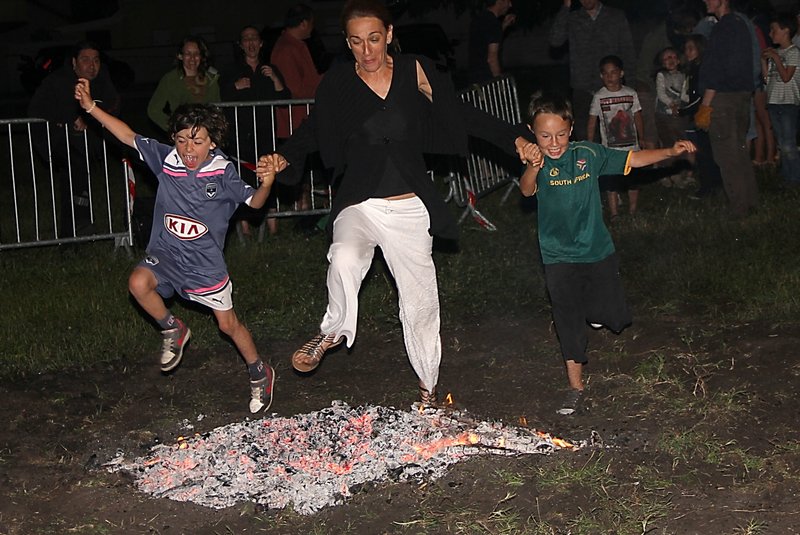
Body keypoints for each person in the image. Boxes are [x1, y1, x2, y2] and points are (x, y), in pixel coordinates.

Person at [256, 0, 531, 406]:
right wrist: (284, 156)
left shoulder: (413, 70)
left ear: (388, 34)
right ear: (347, 43)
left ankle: (428, 389)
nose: (366, 50)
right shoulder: (338, 84)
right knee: (345, 256)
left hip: (409, 208)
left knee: (421, 304)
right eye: (356, 42)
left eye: (373, 39)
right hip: (360, 203)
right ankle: (331, 331)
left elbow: (460, 113)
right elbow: (313, 130)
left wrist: (514, 138)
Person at [75, 79, 277, 414]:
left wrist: (266, 184)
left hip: (204, 265)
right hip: (167, 254)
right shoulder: (167, 160)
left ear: (212, 142)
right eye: (182, 140)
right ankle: (174, 327)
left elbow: (254, 203)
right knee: (138, 283)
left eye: (197, 141)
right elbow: (127, 135)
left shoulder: (223, 172)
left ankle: (259, 371)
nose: (188, 149)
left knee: (228, 325)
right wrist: (91, 107)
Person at [517, 93, 696, 415]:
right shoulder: (537, 161)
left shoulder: (588, 154)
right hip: (558, 255)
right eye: (545, 136)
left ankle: (595, 311)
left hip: (596, 250)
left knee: (615, 317)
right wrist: (532, 167)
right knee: (567, 318)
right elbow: (526, 190)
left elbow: (633, 159)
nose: (554, 143)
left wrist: (670, 152)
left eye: (560, 134)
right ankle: (575, 387)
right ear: (532, 132)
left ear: (571, 129)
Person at [28, 41, 121, 236]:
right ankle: (73, 228)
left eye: (96, 60)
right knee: (74, 172)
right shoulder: (57, 81)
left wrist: (92, 116)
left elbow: (113, 104)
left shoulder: (103, 80)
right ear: (73, 62)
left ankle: (79, 225)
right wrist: (68, 118)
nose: (92, 65)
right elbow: (37, 109)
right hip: (57, 141)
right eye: (85, 59)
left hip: (87, 143)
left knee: (79, 178)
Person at [222, 25, 291, 238]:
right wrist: (235, 87)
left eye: (254, 38)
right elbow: (221, 97)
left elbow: (285, 98)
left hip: (265, 133)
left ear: (261, 43)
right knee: (242, 177)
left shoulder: (269, 69)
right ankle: (244, 227)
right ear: (241, 45)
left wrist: (275, 79)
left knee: (268, 175)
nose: (251, 42)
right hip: (240, 134)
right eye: (246, 39)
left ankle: (273, 226)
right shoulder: (231, 70)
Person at [695, 0, 759, 220]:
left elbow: (716, 69)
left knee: (727, 156)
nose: (705, 1)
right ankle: (750, 201)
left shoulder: (723, 27)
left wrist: (705, 104)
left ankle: (739, 209)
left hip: (722, 99)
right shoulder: (741, 23)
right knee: (739, 151)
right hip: (741, 96)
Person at [549, 0, 636, 141]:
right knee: (586, 137)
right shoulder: (573, 18)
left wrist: (630, 86)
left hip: (612, 88)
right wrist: (566, 6)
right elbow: (555, 40)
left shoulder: (615, 16)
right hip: (583, 88)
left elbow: (628, 51)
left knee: (617, 136)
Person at [587, 55, 643, 220]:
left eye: (613, 72)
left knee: (633, 180)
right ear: (601, 76)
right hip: (610, 149)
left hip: (631, 147)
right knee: (611, 181)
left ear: (621, 73)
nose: (609, 76)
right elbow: (592, 121)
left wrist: (642, 137)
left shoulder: (630, 93)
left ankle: (633, 210)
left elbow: (638, 116)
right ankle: (614, 213)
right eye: (605, 73)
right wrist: (590, 143)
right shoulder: (599, 96)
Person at [147, 36, 221, 134]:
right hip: (183, 135)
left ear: (201, 56)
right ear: (180, 56)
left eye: (196, 53)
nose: (192, 58)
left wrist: (213, 130)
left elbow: (217, 108)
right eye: (188, 53)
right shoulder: (170, 79)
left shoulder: (211, 79)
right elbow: (153, 110)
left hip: (206, 134)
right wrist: (175, 127)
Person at [270, 3, 323, 138]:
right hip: (296, 123)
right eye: (312, 23)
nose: (313, 28)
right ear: (304, 23)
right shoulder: (288, 49)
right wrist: (323, 83)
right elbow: (295, 89)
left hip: (300, 120)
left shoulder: (293, 46)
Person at [681, 34, 723, 199]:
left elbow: (699, 96)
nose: (687, 52)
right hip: (697, 114)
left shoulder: (701, 69)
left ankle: (708, 187)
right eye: (686, 49)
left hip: (703, 114)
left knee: (705, 153)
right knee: (704, 152)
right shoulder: (692, 69)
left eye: (691, 48)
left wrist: (684, 111)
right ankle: (712, 186)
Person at [762, 13, 800, 186]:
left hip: (788, 103)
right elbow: (767, 79)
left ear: (786, 31)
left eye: (774, 30)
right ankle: (786, 176)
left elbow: (786, 77)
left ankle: (794, 178)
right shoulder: (775, 52)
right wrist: (764, 61)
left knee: (788, 143)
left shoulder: (794, 52)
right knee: (782, 142)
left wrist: (776, 59)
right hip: (774, 101)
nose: (770, 34)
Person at [654, 46, 693, 187]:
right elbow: (661, 93)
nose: (670, 60)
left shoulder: (683, 76)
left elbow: (684, 94)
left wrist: (685, 104)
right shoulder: (661, 76)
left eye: (673, 57)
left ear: (678, 61)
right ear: (662, 62)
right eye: (666, 58)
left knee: (680, 143)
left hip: (678, 115)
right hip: (663, 115)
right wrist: (671, 104)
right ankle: (665, 173)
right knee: (668, 143)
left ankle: (677, 174)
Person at [467, 0, 516, 84]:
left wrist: (504, 24)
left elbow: (490, 37)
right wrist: (499, 81)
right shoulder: (493, 23)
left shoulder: (480, 18)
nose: (510, 5)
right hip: (488, 80)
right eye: (508, 1)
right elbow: (492, 58)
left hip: (475, 77)